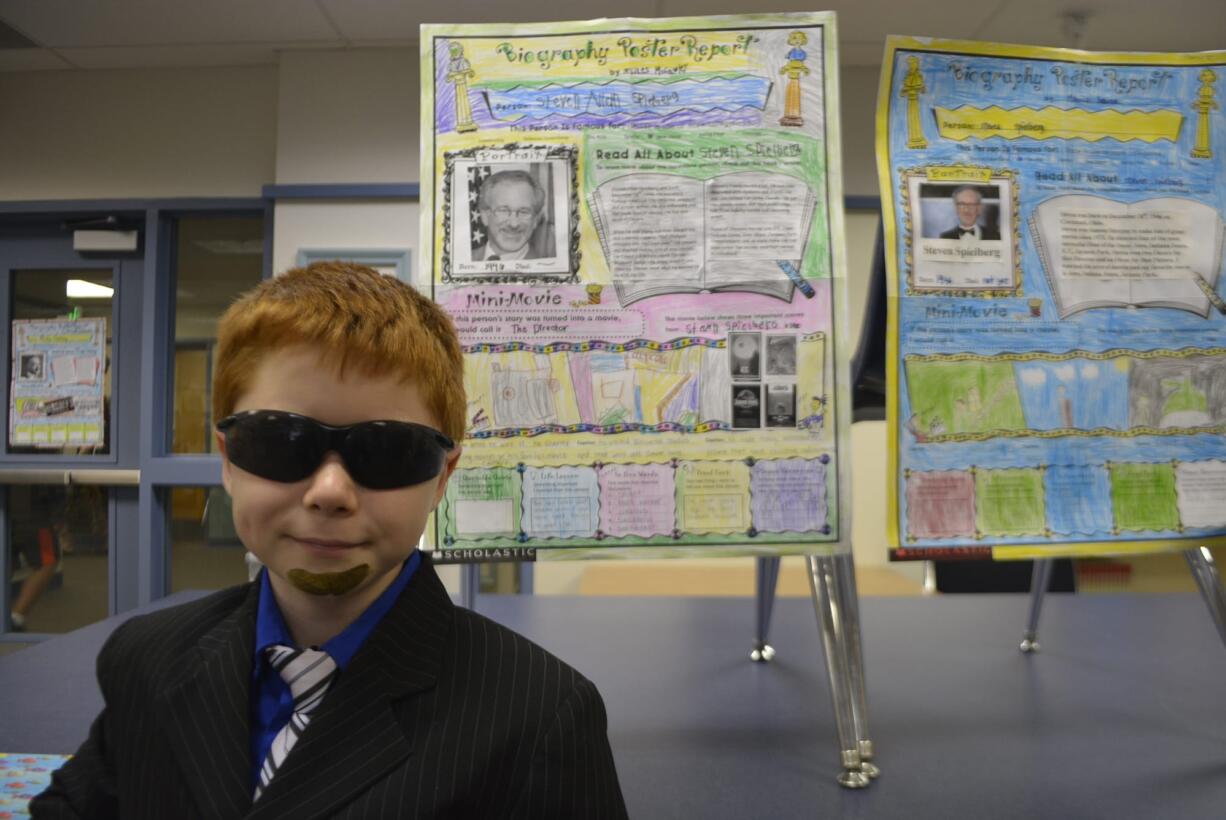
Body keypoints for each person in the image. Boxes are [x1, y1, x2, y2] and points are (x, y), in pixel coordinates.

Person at [31, 262, 627, 819]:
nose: (331, 491)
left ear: (441, 477)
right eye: (281, 441)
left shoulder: (540, 717)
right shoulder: (146, 659)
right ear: (229, 462)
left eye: (388, 450)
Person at [472, 169, 549, 261]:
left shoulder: (550, 267)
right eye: (503, 210)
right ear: (485, 216)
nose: (514, 224)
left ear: (535, 220)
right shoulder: (461, 260)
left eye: (524, 212)